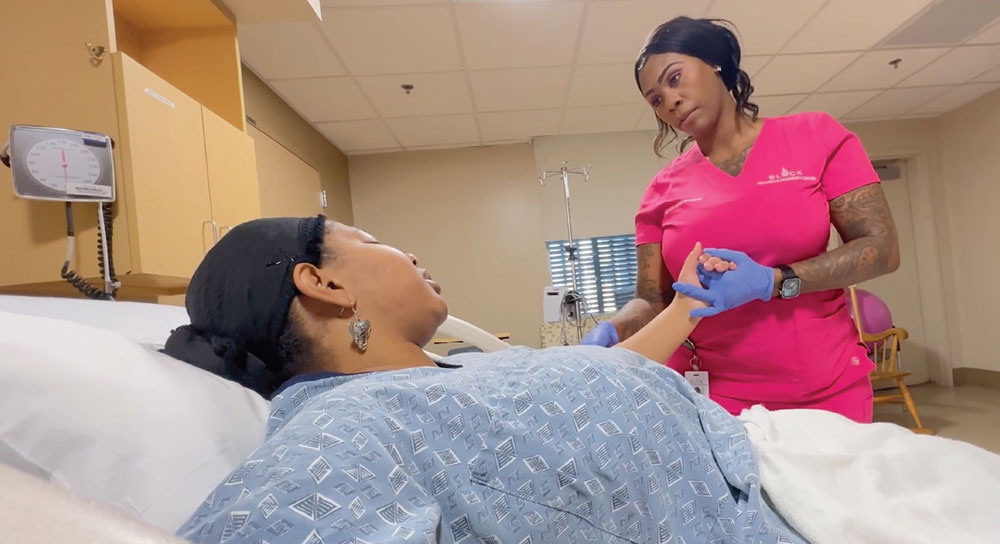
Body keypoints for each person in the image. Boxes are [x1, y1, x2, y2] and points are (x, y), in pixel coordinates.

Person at [166, 215, 805, 544]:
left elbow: (598, 399)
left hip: (770, 470)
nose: (410, 255)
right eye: (368, 238)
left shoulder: (451, 373)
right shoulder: (349, 423)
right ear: (323, 282)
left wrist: (686, 307)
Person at [582, 17, 900, 424]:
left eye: (675, 78)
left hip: (823, 388)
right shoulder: (662, 190)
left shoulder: (816, 137)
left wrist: (773, 281)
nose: (670, 101)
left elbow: (882, 249)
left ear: (715, 63)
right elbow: (651, 298)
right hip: (711, 400)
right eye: (655, 99)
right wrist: (616, 329)